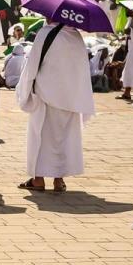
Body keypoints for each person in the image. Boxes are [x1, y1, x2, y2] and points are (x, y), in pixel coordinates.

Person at [16, 24, 96, 193]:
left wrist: (25, 90)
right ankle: (58, 180)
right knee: (64, 138)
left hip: (45, 95)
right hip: (70, 97)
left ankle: (38, 179)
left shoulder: (45, 33)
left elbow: (32, 64)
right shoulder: (76, 36)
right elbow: (80, 68)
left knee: (40, 137)